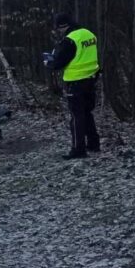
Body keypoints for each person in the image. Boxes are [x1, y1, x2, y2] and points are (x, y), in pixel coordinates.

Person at [44, 13, 100, 159]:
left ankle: (78, 149)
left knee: (76, 116)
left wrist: (48, 63)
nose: (58, 32)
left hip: (75, 82)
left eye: (58, 28)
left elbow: (58, 63)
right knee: (87, 112)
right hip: (91, 78)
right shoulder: (89, 34)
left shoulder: (69, 41)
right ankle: (94, 143)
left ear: (63, 26)